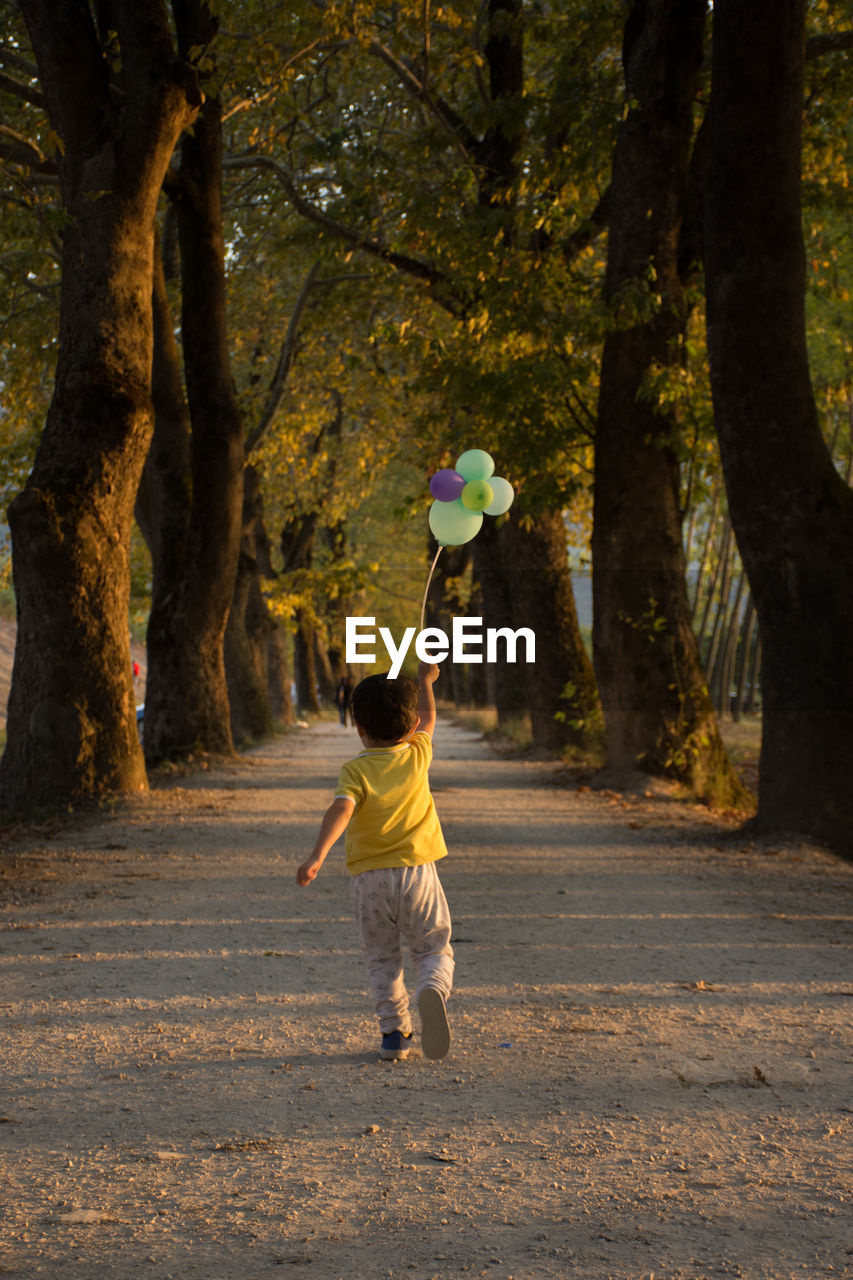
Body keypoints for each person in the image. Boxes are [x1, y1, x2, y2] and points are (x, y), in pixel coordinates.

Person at [296, 662, 453, 1062]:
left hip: (369, 881)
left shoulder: (356, 770)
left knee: (382, 958)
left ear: (359, 729)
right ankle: (432, 987)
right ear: (412, 724)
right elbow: (430, 717)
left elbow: (341, 810)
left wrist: (318, 855)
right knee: (433, 948)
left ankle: (394, 1035)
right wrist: (424, 682)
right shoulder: (417, 755)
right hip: (418, 873)